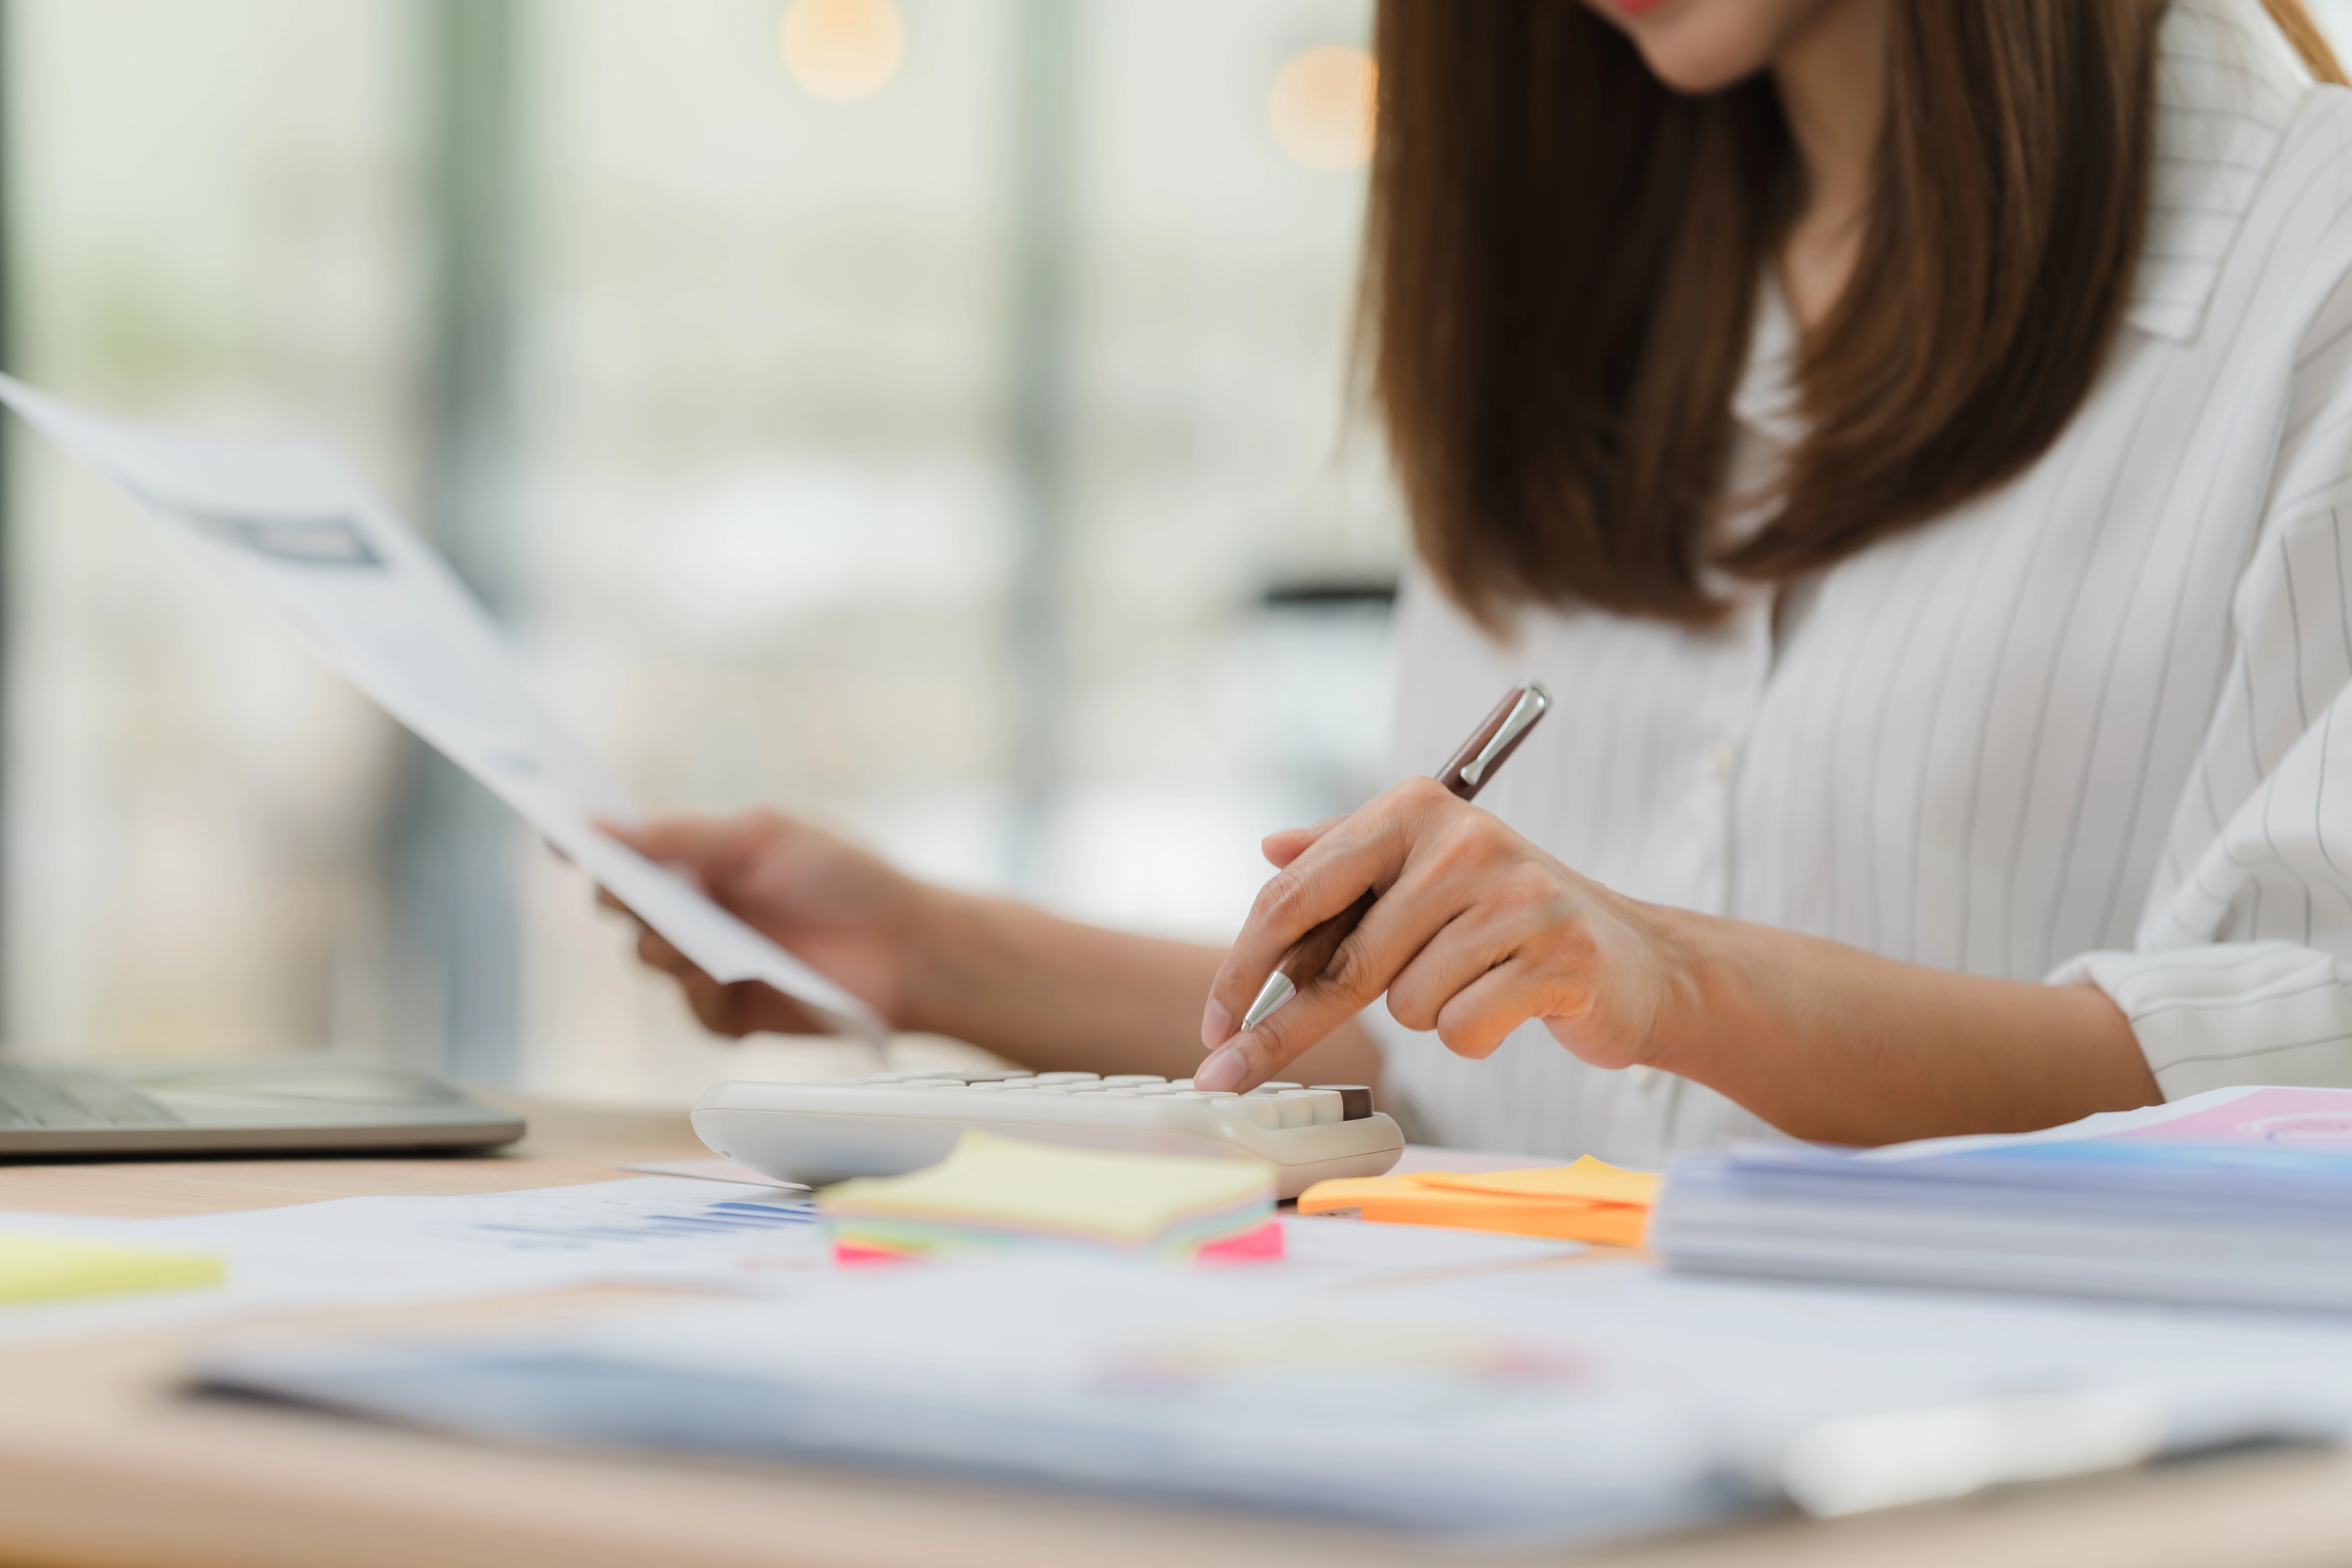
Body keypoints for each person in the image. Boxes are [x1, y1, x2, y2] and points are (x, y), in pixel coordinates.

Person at [612, 0, 2352, 1166]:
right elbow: (1471, 1052)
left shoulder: (2311, 281)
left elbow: (2298, 1074)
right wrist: (925, 951)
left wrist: (1679, 981)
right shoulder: (1598, 282)